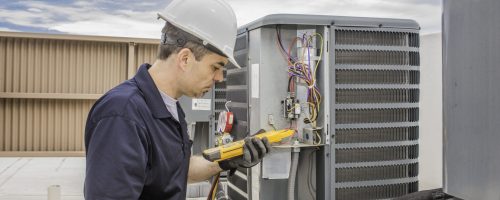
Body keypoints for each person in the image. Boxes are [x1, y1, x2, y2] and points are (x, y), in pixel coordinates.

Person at [83, 0, 272, 199]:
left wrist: (228, 158)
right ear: (185, 59)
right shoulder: (122, 115)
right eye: (215, 67)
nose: (219, 78)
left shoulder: (169, 107)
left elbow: (177, 171)